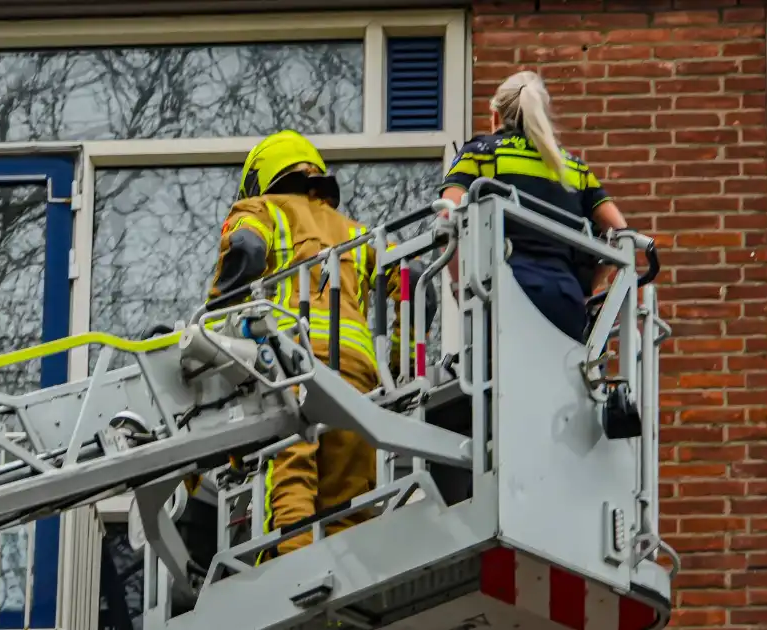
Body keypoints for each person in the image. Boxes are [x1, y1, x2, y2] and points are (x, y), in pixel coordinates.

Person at [206, 130, 437, 558]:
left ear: (262, 179)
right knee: (349, 498)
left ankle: (291, 573)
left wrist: (214, 330)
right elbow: (416, 281)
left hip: (289, 363)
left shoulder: (260, 209)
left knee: (292, 471)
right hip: (358, 377)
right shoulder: (359, 232)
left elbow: (245, 248)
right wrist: (401, 363)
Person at [438, 70, 629, 341]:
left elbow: (448, 214)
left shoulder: (482, 152)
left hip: (506, 298)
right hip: (566, 303)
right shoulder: (573, 168)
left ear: (495, 116)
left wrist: (462, 291)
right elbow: (621, 234)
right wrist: (587, 286)